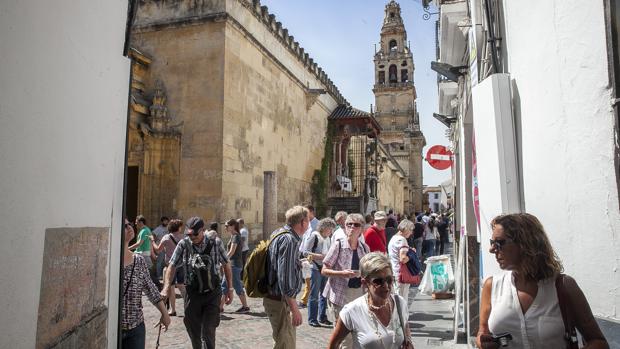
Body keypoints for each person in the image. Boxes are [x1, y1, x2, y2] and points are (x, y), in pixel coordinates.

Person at [477, 213, 609, 349]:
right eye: (492, 243)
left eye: (499, 243)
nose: (492, 249)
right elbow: (482, 332)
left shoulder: (562, 287)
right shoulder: (492, 286)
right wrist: (483, 342)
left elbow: (598, 342)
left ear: (525, 243)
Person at [161, 217, 233, 349]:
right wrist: (166, 287)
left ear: (203, 231)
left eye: (195, 234)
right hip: (192, 293)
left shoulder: (216, 243)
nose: (192, 237)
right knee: (193, 330)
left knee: (208, 330)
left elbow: (226, 265)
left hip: (213, 293)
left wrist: (230, 288)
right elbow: (171, 266)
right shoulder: (184, 244)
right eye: (189, 234)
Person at [327, 252, 413, 349]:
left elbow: (406, 331)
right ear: (365, 282)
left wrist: (409, 342)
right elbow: (333, 345)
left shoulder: (399, 303)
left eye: (389, 280)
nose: (386, 286)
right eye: (378, 281)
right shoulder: (351, 311)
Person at [263, 205, 308, 349]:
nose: (308, 224)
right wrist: (295, 309)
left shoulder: (279, 233)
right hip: (281, 301)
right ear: (302, 222)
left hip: (275, 298)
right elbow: (285, 279)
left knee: (283, 342)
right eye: (307, 220)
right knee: (286, 345)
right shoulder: (289, 241)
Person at [322, 213, 369, 349]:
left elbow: (368, 271)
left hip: (359, 294)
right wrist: (341, 273)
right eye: (349, 224)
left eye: (356, 225)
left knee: (357, 332)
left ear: (361, 229)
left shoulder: (364, 248)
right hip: (340, 294)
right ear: (344, 227)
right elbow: (324, 270)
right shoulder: (338, 245)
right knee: (343, 336)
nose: (352, 228)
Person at [122, 222, 170, 348]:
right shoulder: (109, 260)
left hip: (136, 328)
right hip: (112, 328)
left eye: (130, 224)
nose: (129, 227)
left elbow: (150, 288)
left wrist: (165, 313)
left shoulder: (138, 260)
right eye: (124, 225)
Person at [301, 217, 337, 327]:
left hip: (324, 269)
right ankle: (312, 319)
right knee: (314, 295)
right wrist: (320, 256)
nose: (331, 231)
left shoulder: (328, 238)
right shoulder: (314, 235)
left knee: (324, 294)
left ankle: (322, 316)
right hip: (315, 268)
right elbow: (305, 252)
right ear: (324, 227)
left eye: (332, 229)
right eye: (329, 229)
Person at [151, 219, 185, 316]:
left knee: (171, 288)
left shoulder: (166, 237)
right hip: (181, 264)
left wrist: (152, 241)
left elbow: (157, 250)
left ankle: (173, 309)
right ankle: (188, 306)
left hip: (170, 266)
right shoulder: (183, 238)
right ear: (178, 227)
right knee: (182, 287)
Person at [221, 218, 250, 313]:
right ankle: (220, 307)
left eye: (226, 226)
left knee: (235, 285)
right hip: (232, 264)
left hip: (234, 265)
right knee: (225, 285)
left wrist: (223, 260)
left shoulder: (236, 236)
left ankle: (245, 307)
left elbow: (232, 251)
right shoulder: (234, 236)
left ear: (232, 226)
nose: (225, 227)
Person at [388, 219, 415, 302]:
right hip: (402, 273)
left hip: (395, 271)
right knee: (402, 300)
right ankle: (401, 315)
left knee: (397, 298)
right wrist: (412, 253)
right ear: (406, 229)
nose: (411, 233)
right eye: (411, 230)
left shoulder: (394, 238)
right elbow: (403, 259)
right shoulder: (402, 240)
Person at [298, 205, 319, 308]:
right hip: (304, 254)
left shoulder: (317, 224)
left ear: (311, 212)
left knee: (309, 279)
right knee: (307, 277)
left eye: (305, 212)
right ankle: (305, 299)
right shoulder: (307, 223)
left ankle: (305, 300)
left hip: (311, 255)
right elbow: (304, 238)